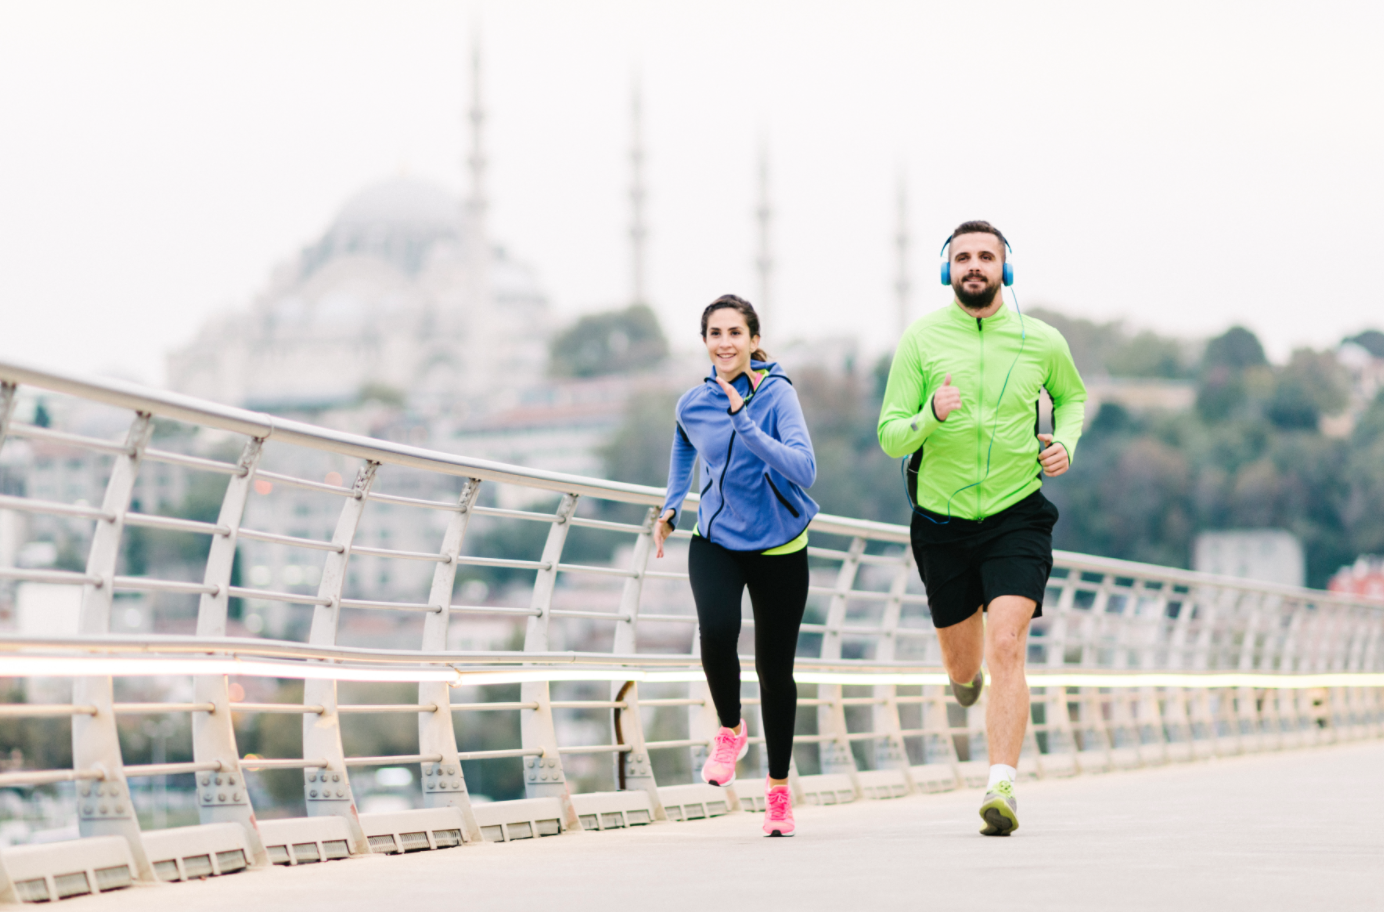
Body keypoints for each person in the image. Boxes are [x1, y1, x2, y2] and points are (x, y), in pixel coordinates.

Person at [877, 221, 1086, 836]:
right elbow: (890, 435)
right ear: (948, 271)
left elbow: (1072, 399)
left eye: (986, 257)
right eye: (963, 257)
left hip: (1017, 515)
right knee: (964, 664)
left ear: (1005, 269)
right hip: (941, 521)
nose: (975, 266)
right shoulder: (921, 339)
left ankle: (1001, 786)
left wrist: (1065, 444)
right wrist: (928, 416)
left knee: (1007, 643)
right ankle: (964, 683)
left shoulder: (1040, 339)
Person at [654, 294, 818, 837]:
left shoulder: (778, 396)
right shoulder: (691, 403)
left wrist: (745, 420)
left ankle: (777, 795)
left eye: (735, 333)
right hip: (716, 539)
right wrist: (673, 506)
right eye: (715, 333)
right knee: (717, 630)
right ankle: (730, 728)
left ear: (753, 340)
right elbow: (684, 447)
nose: (725, 342)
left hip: (780, 545)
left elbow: (804, 469)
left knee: (776, 673)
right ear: (705, 342)